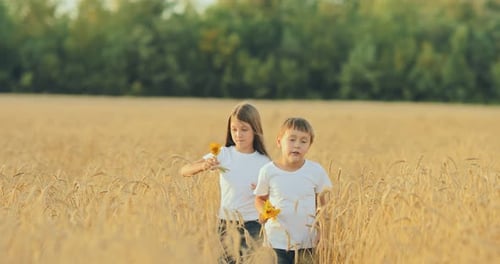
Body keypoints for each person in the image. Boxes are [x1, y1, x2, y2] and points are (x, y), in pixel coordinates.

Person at [180, 102, 271, 264]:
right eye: (234, 129)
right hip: (225, 224)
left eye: (244, 129)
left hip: (253, 225)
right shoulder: (223, 154)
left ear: (255, 130)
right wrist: (203, 166)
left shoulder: (264, 162)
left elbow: (274, 195)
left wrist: (262, 191)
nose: (238, 135)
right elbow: (184, 170)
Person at [254, 117, 332, 264]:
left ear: (309, 145)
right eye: (292, 139)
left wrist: (323, 235)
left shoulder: (316, 171)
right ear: (279, 142)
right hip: (276, 241)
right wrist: (265, 211)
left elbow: (323, 206)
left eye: (303, 141)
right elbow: (259, 198)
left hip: (307, 241)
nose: (297, 145)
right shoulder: (268, 171)